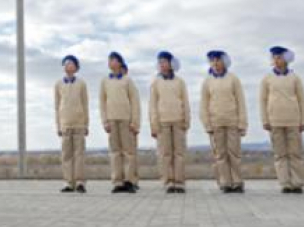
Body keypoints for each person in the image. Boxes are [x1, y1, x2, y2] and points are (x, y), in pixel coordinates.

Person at [260, 46, 304, 194]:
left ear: (286, 59)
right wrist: (265, 120)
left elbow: (302, 100)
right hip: (275, 121)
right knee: (280, 154)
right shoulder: (267, 79)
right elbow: (263, 100)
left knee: (295, 153)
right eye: (274, 57)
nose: (276, 60)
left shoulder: (295, 78)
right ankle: (285, 183)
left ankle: (297, 182)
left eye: (279, 57)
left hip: (293, 120)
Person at [200, 51, 248, 194]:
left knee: (234, 153)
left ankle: (237, 182)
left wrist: (242, 123)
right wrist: (207, 124)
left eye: (218, 60)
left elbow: (241, 102)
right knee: (220, 154)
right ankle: (225, 182)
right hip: (216, 122)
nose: (215, 63)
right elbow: (204, 105)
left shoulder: (233, 79)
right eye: (212, 61)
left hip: (232, 121)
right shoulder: (207, 81)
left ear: (224, 62)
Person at [99, 51, 141, 194]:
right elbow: (102, 103)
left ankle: (129, 181)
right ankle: (117, 181)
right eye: (109, 60)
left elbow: (135, 102)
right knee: (115, 152)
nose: (111, 62)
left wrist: (134, 121)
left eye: (114, 60)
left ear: (120, 63)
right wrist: (104, 121)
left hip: (125, 119)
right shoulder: (105, 81)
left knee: (128, 152)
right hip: (112, 119)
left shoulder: (127, 80)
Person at [149, 51, 190, 194]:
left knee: (179, 153)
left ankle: (179, 182)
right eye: (159, 62)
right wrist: (154, 124)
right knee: (165, 154)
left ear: (171, 63)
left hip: (178, 121)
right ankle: (168, 182)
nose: (161, 65)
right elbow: (153, 105)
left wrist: (186, 120)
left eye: (164, 62)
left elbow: (185, 102)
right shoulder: (156, 83)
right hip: (162, 122)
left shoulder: (180, 82)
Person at [55, 54, 89, 194]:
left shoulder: (81, 83)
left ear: (76, 67)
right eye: (65, 63)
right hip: (65, 123)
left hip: (79, 123)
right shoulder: (58, 84)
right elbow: (57, 106)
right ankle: (68, 182)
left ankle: (80, 182)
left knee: (79, 154)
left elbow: (85, 104)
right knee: (66, 155)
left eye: (71, 63)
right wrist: (58, 126)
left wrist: (86, 124)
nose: (68, 66)